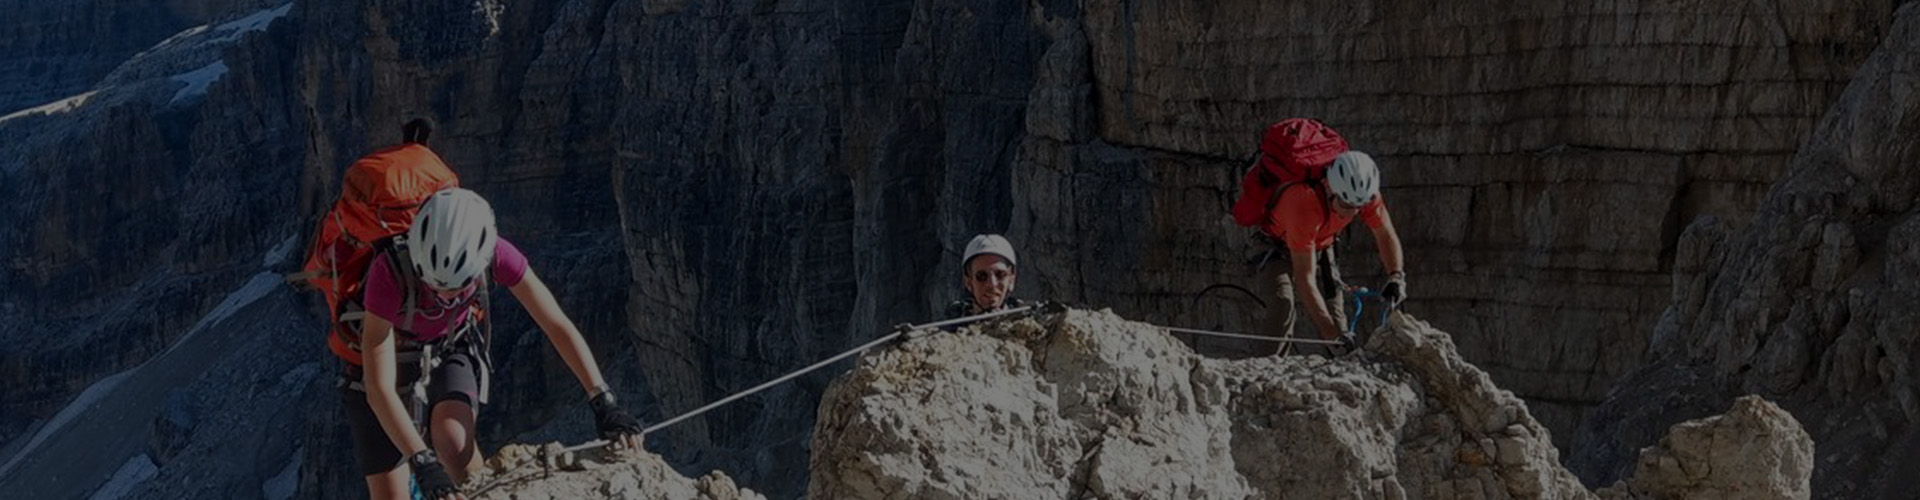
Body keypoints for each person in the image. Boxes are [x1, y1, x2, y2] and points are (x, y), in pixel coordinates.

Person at [343, 188, 644, 500]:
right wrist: (421, 460)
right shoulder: (388, 272)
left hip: (450, 346)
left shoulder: (497, 253)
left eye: (458, 287)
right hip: (379, 359)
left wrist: (603, 399)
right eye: (431, 283)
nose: (444, 296)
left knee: (454, 444)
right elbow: (378, 388)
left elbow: (555, 323)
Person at [1253, 150, 1406, 355]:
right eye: (1345, 205)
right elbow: (1305, 278)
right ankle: (1267, 371)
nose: (1352, 212)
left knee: (1337, 320)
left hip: (1322, 243)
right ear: (1328, 187)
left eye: (1357, 207)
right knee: (1283, 307)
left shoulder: (1364, 194)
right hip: (1277, 245)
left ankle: (1341, 366)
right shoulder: (1304, 205)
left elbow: (1384, 232)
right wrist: (1331, 336)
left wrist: (1396, 275)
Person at [944, 234, 1030, 319]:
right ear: (968, 282)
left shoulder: (1030, 324)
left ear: (1011, 280)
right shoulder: (948, 329)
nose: (992, 284)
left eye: (1000, 275)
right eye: (981, 276)